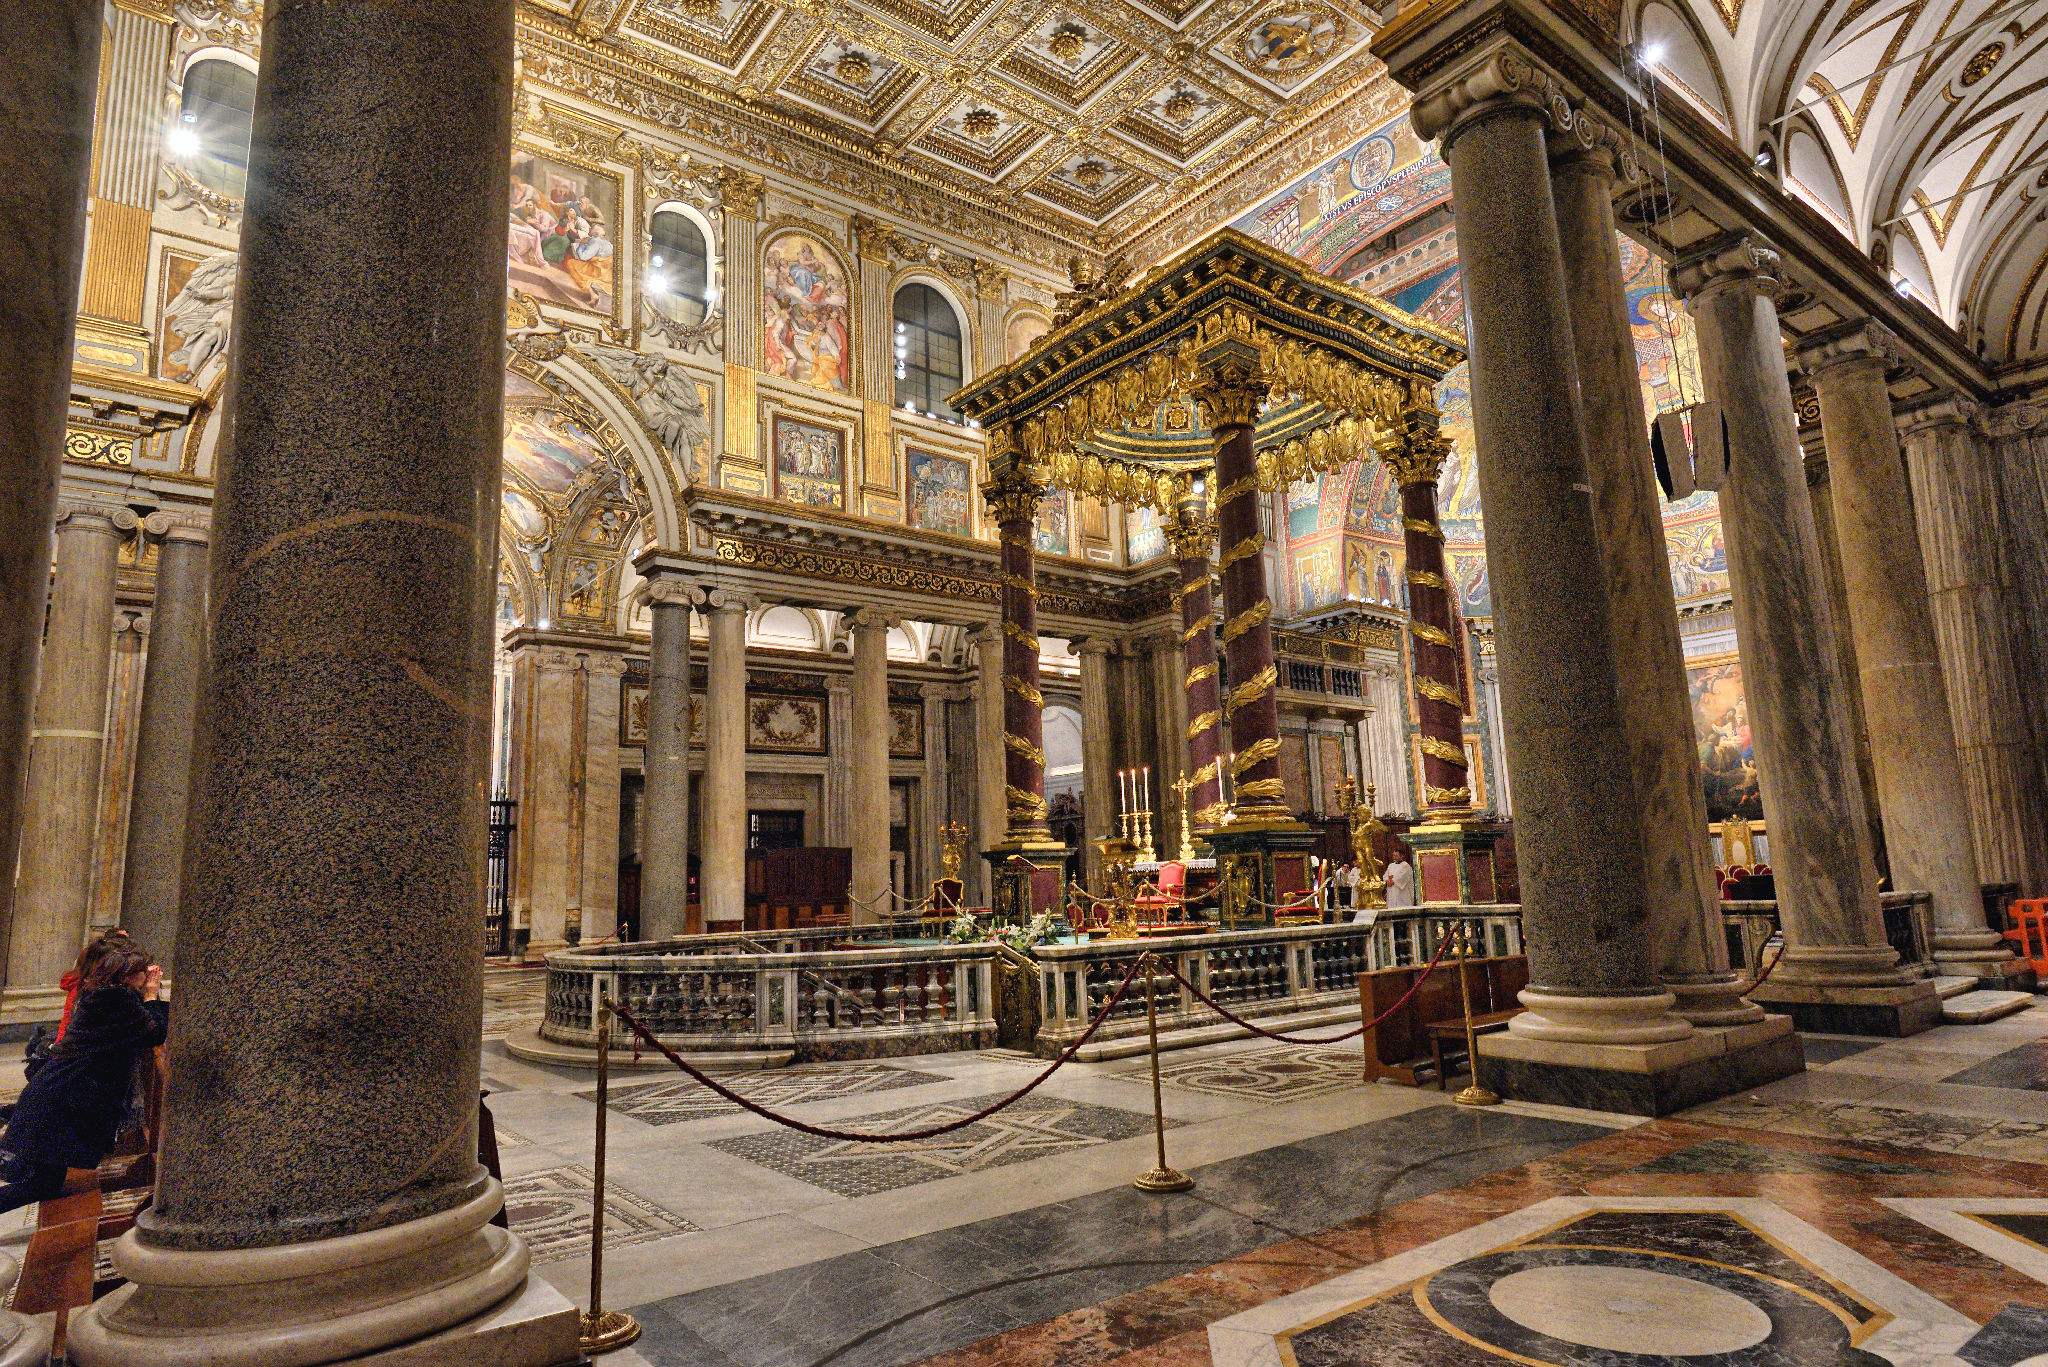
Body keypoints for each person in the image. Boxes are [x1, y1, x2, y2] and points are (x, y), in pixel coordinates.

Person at [0, 946, 167, 1214]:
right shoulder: (115, 1000)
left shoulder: (104, 994)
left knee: (38, 1175)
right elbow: (155, 1032)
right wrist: (151, 996)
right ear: (125, 975)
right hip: (63, 1097)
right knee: (41, 1181)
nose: (147, 975)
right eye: (141, 972)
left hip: (60, 1092)